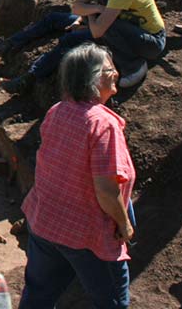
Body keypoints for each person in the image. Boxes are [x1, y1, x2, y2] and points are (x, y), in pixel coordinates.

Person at [18, 44, 135, 309]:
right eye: (109, 70)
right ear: (93, 79)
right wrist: (123, 223)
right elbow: (106, 190)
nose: (116, 73)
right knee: (113, 302)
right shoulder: (103, 125)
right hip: (85, 234)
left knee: (39, 294)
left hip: (45, 221)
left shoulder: (57, 111)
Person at [0, 0, 105, 95]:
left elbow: (105, 16)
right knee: (53, 18)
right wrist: (80, 20)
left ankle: (29, 79)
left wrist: (85, 23)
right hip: (92, 20)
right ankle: (8, 44)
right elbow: (82, 5)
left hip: (105, 28)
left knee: (67, 41)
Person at [78, 0, 166, 89]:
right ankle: (120, 56)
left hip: (153, 42)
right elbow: (76, 7)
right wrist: (96, 8)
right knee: (99, 17)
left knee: (106, 25)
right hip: (134, 32)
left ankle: (134, 67)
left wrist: (92, 12)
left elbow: (97, 31)